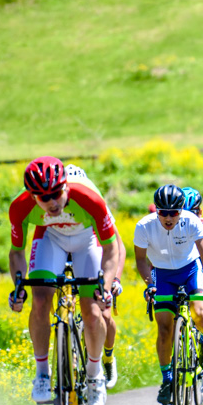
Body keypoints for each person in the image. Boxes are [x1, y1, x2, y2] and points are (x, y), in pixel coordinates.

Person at [8, 157, 119, 405]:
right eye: (43, 198)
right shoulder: (20, 206)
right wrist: (18, 287)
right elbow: (16, 253)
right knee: (39, 299)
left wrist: (106, 283)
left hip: (87, 240)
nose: (52, 202)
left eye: (57, 194)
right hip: (51, 239)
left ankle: (94, 375)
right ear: (32, 195)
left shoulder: (89, 198)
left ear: (66, 185)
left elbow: (112, 248)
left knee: (92, 312)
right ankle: (42, 373)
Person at [134, 184, 203, 405]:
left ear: (182, 210)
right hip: (162, 274)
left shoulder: (192, 221)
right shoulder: (144, 227)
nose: (169, 218)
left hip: (190, 269)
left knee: (200, 314)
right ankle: (167, 378)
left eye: (174, 212)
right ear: (156, 210)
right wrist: (150, 284)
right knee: (164, 329)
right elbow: (141, 260)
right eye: (163, 212)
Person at [65, 164, 126, 390]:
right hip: (68, 259)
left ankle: (107, 358)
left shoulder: (96, 205)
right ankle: (67, 347)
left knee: (104, 315)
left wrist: (115, 280)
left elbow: (119, 247)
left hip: (97, 258)